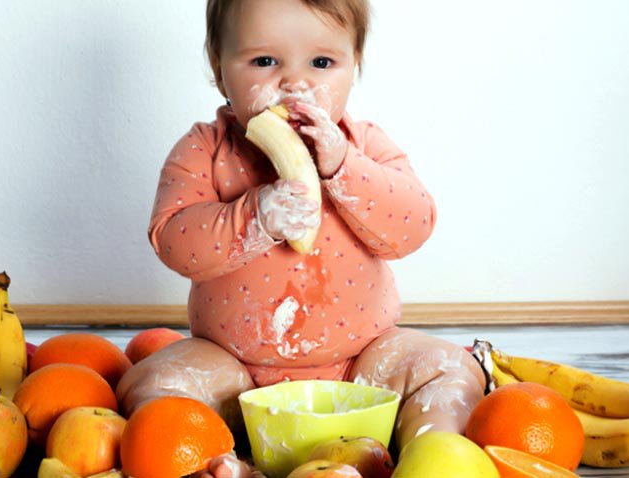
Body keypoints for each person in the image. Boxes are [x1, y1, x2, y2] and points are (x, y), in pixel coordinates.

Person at [116, 0, 485, 475]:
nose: (295, 82)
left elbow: (413, 225)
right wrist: (254, 217)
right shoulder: (205, 149)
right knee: (151, 383)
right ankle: (220, 463)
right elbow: (172, 239)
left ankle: (430, 456)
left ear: (355, 65)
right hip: (234, 366)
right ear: (217, 65)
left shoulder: (365, 145)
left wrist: (343, 168)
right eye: (265, 61)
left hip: (363, 360)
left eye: (322, 63)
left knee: (449, 369)